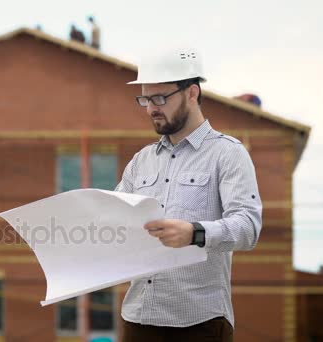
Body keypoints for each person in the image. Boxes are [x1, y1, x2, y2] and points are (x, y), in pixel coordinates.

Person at [115, 47, 262, 341]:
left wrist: (195, 233)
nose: (151, 108)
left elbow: (248, 227)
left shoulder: (228, 154)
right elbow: (116, 222)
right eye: (145, 99)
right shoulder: (141, 161)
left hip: (200, 324)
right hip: (137, 320)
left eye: (160, 98)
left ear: (192, 93)